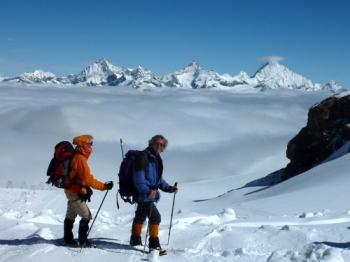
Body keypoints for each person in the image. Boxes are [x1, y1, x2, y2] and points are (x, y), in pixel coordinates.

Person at [130, 134, 178, 252]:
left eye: (161, 144)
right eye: (156, 143)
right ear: (151, 143)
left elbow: (158, 180)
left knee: (140, 216)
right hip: (144, 194)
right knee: (155, 217)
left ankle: (135, 239)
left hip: (148, 194)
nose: (159, 146)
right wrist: (147, 191)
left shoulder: (156, 159)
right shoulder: (143, 157)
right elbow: (138, 178)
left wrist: (169, 188)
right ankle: (154, 245)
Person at [63, 134, 113, 247]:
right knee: (86, 216)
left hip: (70, 191)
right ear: (84, 145)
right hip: (75, 193)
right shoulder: (80, 159)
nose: (91, 145)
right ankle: (82, 241)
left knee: (70, 215)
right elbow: (88, 179)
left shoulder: (76, 156)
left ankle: (68, 239)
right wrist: (104, 186)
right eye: (90, 143)